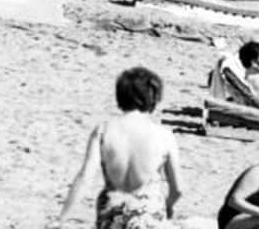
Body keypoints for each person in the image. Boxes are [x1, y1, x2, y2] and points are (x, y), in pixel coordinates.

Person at [58, 67, 183, 227]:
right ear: (153, 98)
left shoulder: (103, 130)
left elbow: (84, 178)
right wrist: (168, 206)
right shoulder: (164, 135)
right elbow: (178, 189)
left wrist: (62, 217)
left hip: (112, 213)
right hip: (148, 214)